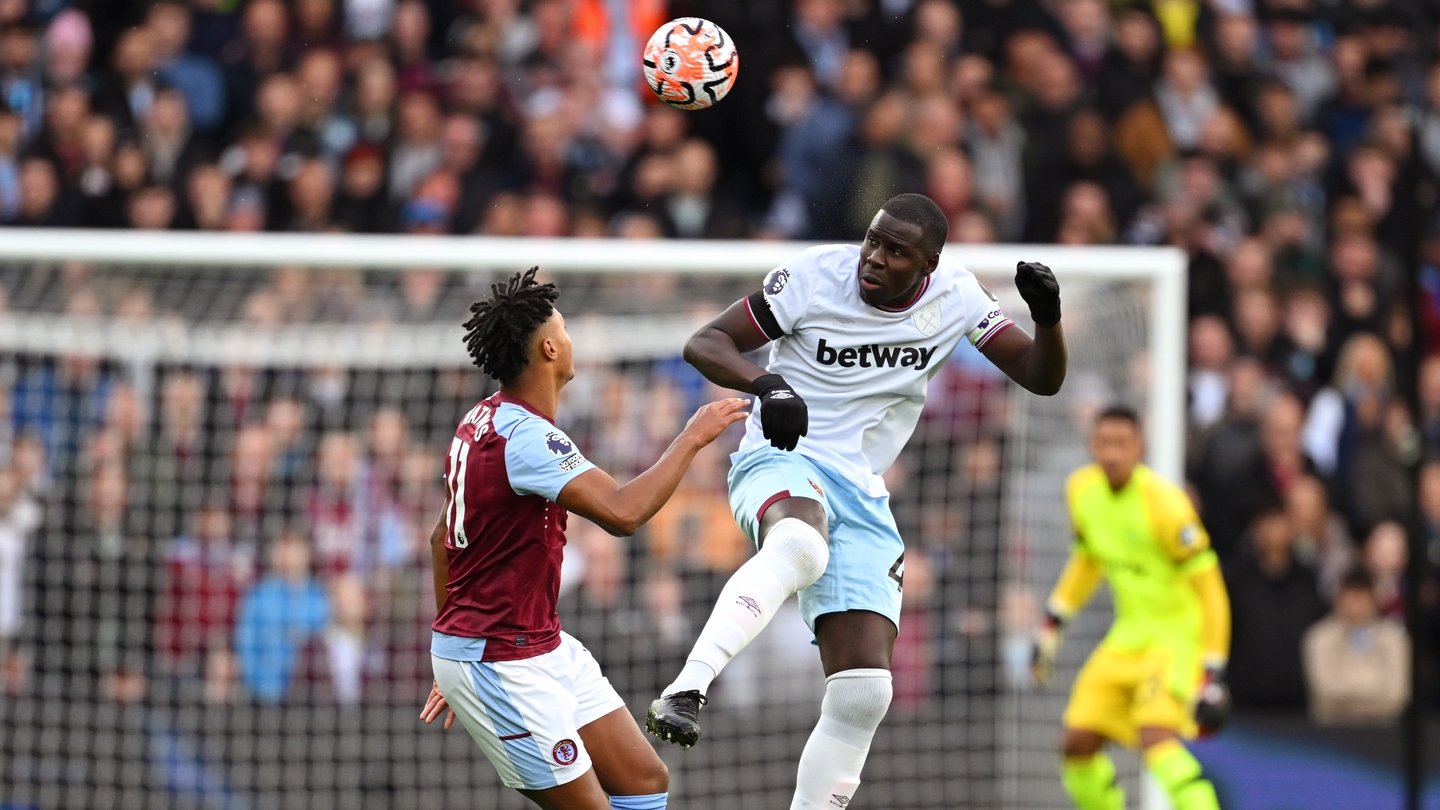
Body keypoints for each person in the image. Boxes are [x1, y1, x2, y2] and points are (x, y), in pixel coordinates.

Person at [647, 193, 1067, 809]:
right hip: (781, 454)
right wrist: (768, 383)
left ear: (928, 266)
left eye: (896, 251)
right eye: (873, 240)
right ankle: (687, 689)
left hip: (863, 489)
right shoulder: (813, 277)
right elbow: (705, 342)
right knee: (799, 542)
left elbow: (1041, 376)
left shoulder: (959, 298)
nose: (873, 257)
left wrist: (1049, 317)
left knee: (864, 693)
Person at [419, 268, 748, 810]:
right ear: (550, 348)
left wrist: (451, 643)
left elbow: (440, 539)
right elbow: (623, 514)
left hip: (538, 645)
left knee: (644, 779)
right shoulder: (527, 439)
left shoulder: (482, 419)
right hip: (500, 663)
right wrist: (692, 436)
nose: (572, 340)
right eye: (566, 328)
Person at [1030, 407, 1231, 810]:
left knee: (1155, 737)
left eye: (1122, 443)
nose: (1112, 453)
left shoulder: (1166, 506)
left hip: (1176, 639)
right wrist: (1053, 622)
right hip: (1128, 636)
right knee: (1077, 744)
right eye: (1103, 443)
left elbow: (1210, 588)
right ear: (1091, 445)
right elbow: (1088, 560)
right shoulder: (1081, 491)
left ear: (1140, 447)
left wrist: (1213, 670)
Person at [1302, 567, 1410, 726]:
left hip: (1384, 731)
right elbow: (1325, 693)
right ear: (1338, 598)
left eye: (1362, 596)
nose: (1356, 604)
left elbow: (1397, 695)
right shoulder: (1319, 638)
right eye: (1351, 596)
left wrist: (1347, 694)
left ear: (1375, 599)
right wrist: (1374, 688)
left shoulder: (1395, 639)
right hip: (1332, 732)